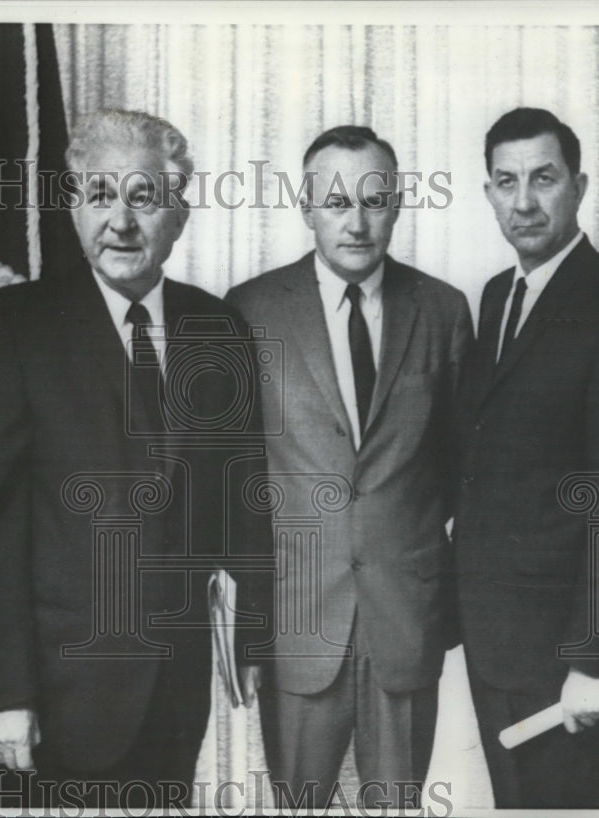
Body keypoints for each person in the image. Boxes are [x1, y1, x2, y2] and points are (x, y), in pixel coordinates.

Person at [0, 108, 271, 809]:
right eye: (99, 195)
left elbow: (246, 496)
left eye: (143, 197)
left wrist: (253, 638)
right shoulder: (11, 328)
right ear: (73, 208)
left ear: (177, 215)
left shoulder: (220, 326)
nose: (120, 220)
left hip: (176, 694)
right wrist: (2, 692)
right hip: (54, 700)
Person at [226, 125, 472, 809]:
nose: (357, 222)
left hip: (405, 615)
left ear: (396, 204)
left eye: (375, 199)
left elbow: (459, 465)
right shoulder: (247, 312)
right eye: (336, 202)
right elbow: (236, 482)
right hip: (298, 620)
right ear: (305, 207)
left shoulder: (444, 311)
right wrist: (248, 626)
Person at [453, 107, 599, 808]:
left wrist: (597, 657)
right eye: (506, 182)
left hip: (563, 649)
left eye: (543, 178)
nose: (524, 201)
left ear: (579, 185)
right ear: (488, 194)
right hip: (495, 640)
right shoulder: (495, 296)